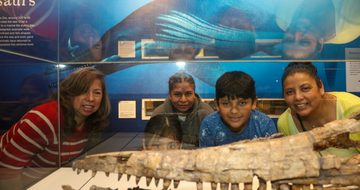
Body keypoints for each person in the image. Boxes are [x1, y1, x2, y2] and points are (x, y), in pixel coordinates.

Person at [0, 67, 111, 188]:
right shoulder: (45, 119)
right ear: (69, 94)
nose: (90, 98)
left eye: (97, 92)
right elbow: (7, 172)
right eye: (83, 91)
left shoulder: (89, 121)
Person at [277, 62, 360, 156]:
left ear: (320, 87)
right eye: (289, 92)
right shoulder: (285, 123)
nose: (298, 97)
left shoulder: (355, 109)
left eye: (305, 88)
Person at [199, 71, 277, 147]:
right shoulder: (209, 125)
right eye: (226, 104)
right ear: (217, 104)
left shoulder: (265, 124)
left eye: (242, 103)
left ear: (254, 103)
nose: (234, 111)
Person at [151, 71, 214, 148]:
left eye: (188, 94)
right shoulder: (159, 114)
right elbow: (152, 147)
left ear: (194, 94)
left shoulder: (206, 113)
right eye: (177, 94)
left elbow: (213, 147)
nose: (183, 100)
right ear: (170, 95)